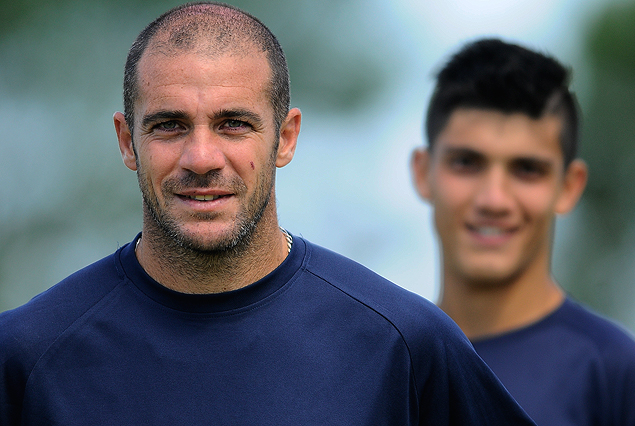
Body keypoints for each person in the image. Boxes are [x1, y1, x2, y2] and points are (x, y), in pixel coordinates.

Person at [0, 4, 536, 425]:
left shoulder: (405, 346)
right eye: (169, 126)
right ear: (127, 141)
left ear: (286, 137)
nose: (201, 158)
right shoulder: (26, 356)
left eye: (234, 124)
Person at [411, 37, 635, 426]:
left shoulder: (614, 377)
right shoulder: (382, 363)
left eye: (527, 169)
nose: (494, 199)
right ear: (422, 172)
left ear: (569, 186)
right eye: (466, 162)